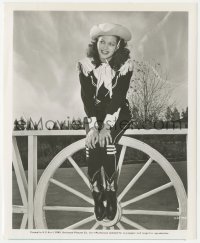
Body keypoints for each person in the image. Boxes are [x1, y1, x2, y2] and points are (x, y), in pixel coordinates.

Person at [77, 23, 133, 221]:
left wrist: (107, 126)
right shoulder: (85, 65)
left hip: (119, 114)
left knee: (107, 143)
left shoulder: (125, 66)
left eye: (111, 43)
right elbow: (86, 97)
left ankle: (111, 193)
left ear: (118, 46)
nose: (106, 47)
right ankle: (97, 196)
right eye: (102, 42)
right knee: (92, 145)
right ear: (96, 42)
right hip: (94, 115)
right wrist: (93, 127)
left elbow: (119, 96)